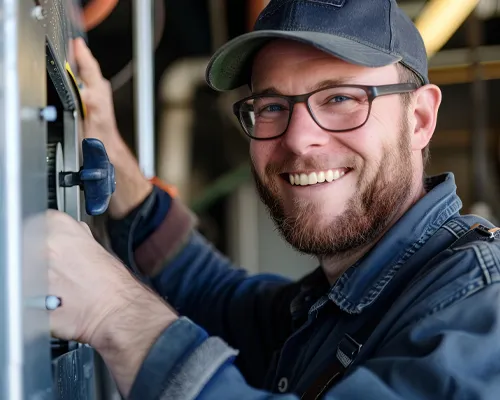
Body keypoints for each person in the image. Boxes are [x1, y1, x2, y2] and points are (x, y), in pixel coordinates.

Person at [47, 0, 500, 399]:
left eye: (340, 98)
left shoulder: (482, 305)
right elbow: (212, 295)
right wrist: (105, 139)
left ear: (419, 119)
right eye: (272, 107)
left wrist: (117, 313)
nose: (300, 140)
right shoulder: (336, 304)